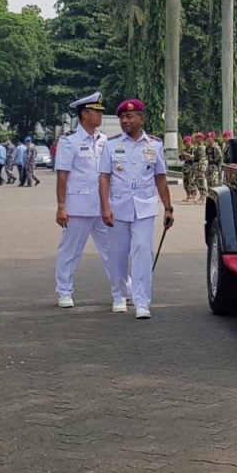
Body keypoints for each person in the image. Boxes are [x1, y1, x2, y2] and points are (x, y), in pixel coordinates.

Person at [98, 99, 174, 319]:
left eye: (130, 116)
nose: (125, 120)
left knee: (142, 252)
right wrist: (105, 208)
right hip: (118, 206)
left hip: (144, 206)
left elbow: (160, 178)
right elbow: (104, 178)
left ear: (142, 118)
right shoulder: (111, 145)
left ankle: (142, 302)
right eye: (122, 117)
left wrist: (168, 208)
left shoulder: (154, 145)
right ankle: (119, 296)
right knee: (118, 253)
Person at [53, 93, 119, 309]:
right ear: (84, 114)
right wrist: (61, 206)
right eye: (96, 111)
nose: (100, 115)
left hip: (103, 206)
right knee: (71, 251)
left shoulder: (104, 141)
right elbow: (62, 175)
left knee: (112, 250)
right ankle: (64, 291)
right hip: (78, 206)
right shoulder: (69, 141)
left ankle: (121, 289)